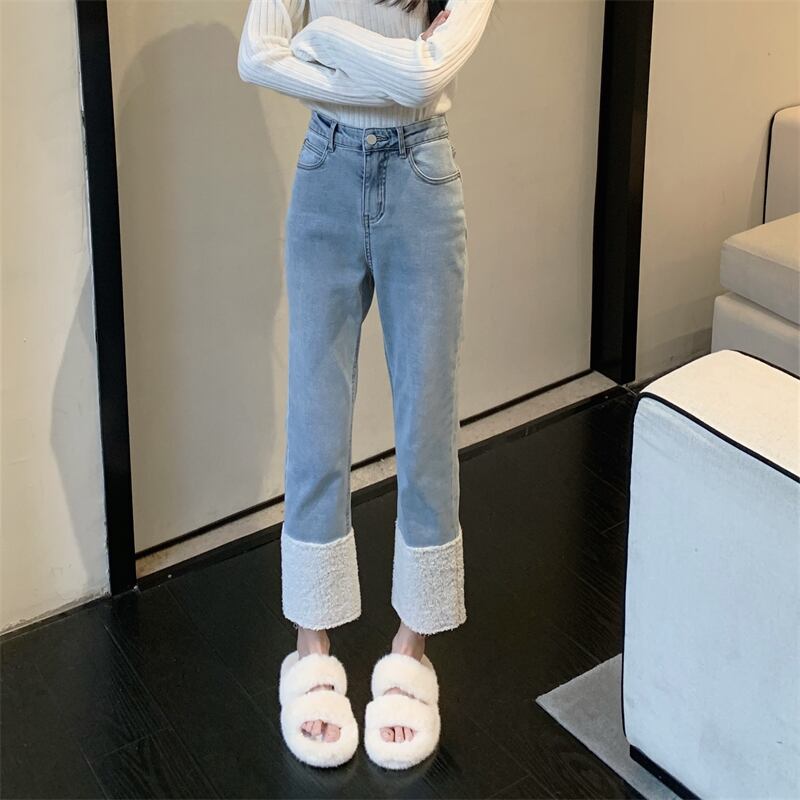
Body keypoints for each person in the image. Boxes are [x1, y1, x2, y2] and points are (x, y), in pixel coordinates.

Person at [237, 0, 494, 770]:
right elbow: (256, 54)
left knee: (427, 427)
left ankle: (411, 650)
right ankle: (311, 647)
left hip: (423, 177)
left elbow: (426, 78)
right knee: (314, 424)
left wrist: (321, 39)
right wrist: (388, 68)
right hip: (326, 171)